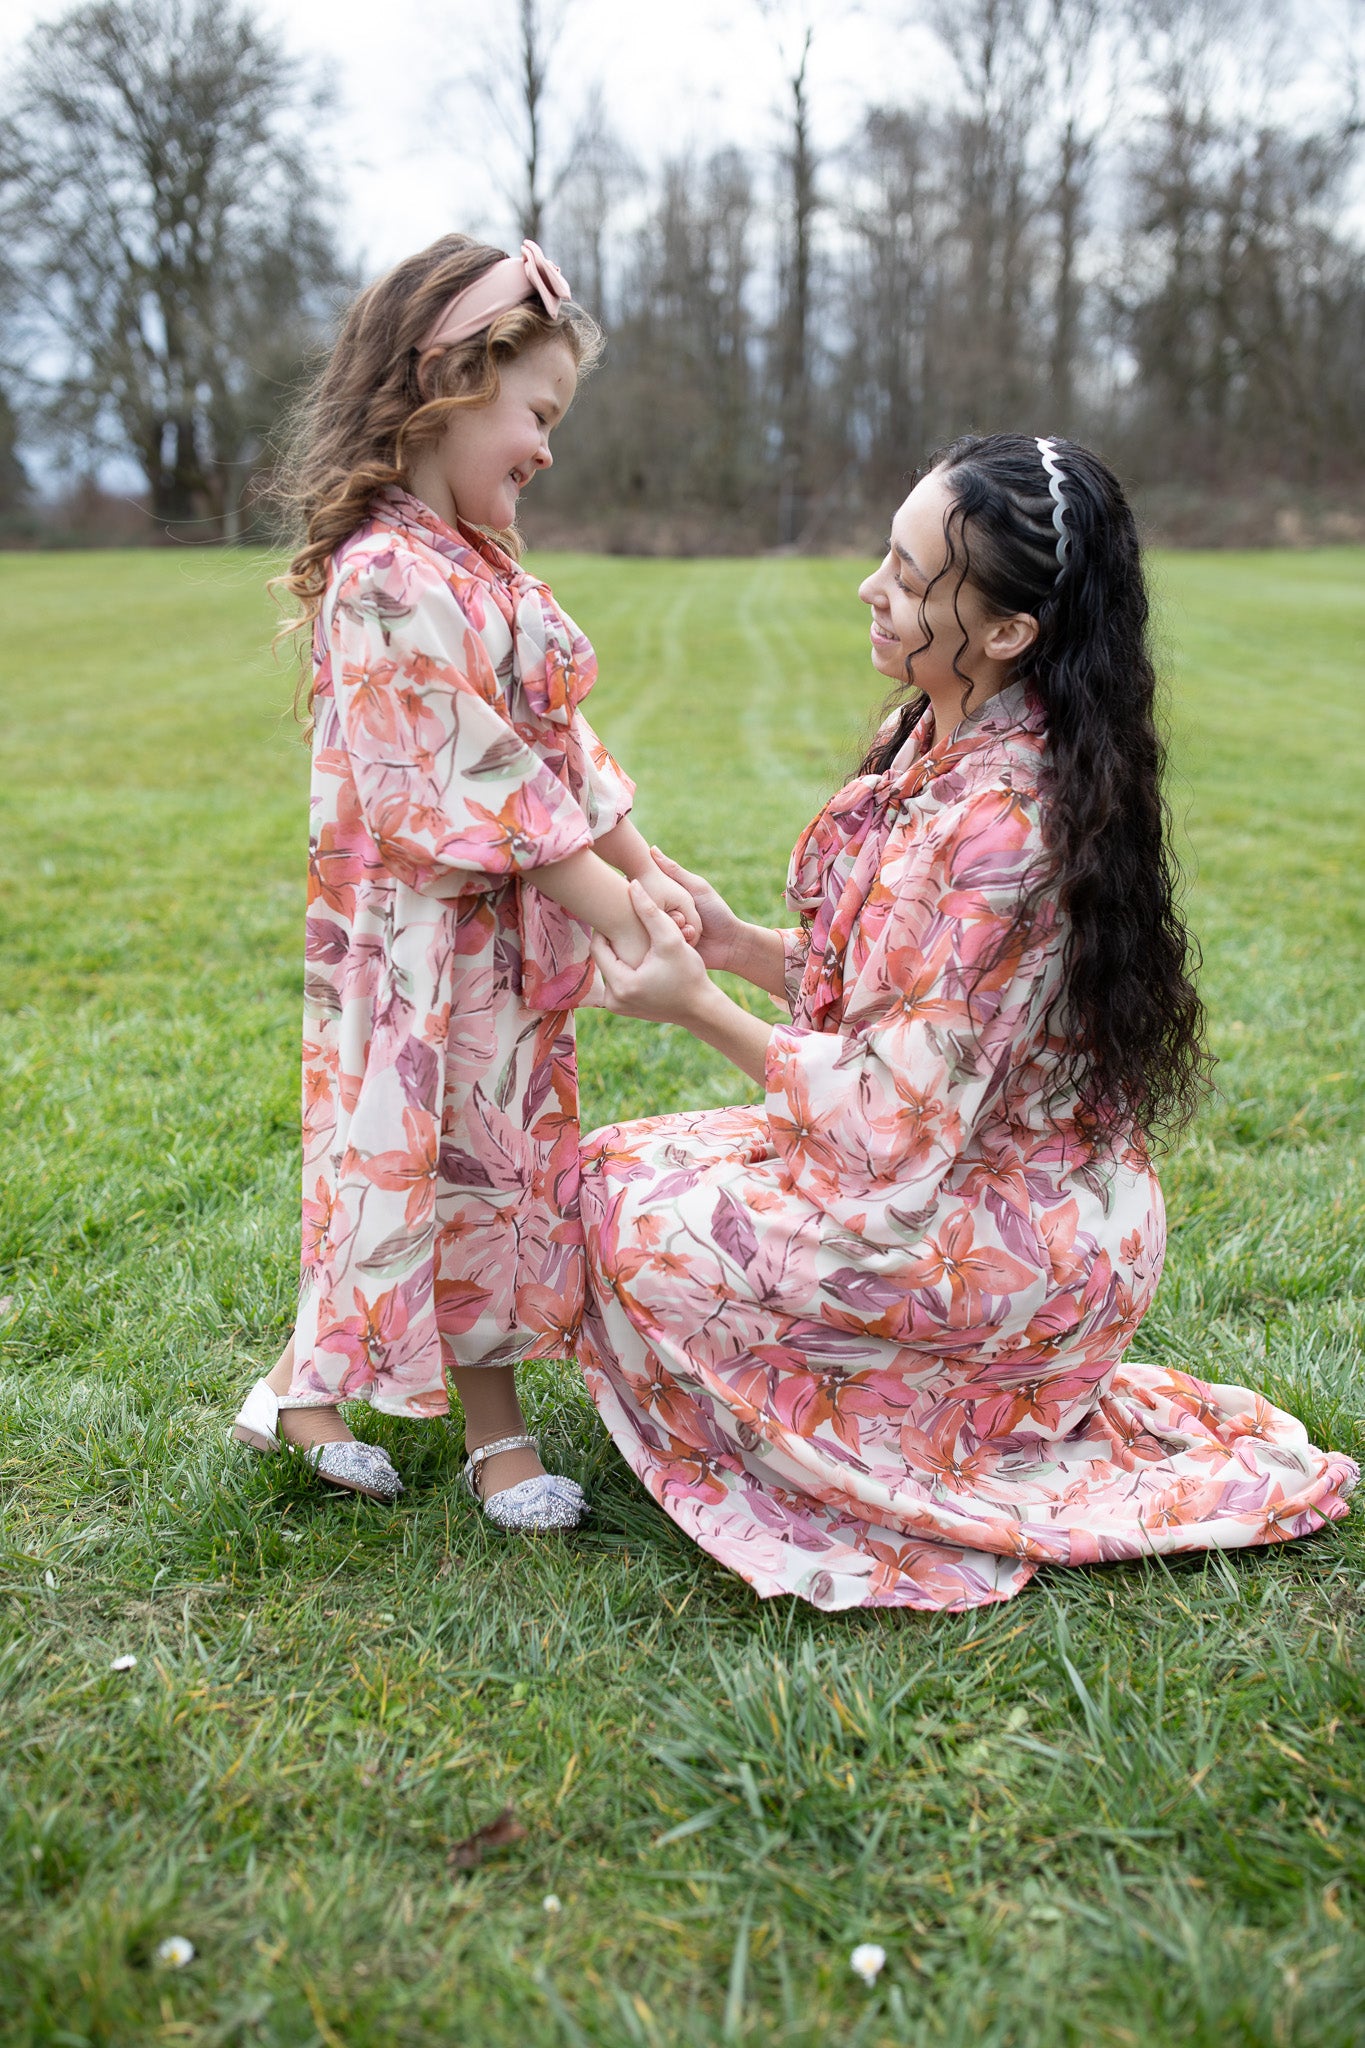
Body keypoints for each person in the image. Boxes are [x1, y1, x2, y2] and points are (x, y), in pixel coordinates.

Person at [579, 433, 1358, 1611]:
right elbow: (913, 1007)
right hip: (958, 1166)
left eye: (907, 576)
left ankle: (918, 1427)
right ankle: (897, 1396)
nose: (870, 588)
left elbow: (892, 1113)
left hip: (1015, 1232)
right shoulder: (937, 735)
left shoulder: (1008, 821)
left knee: (637, 1222)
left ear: (1006, 632)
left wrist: (694, 1004)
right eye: (885, 557)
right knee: (607, 1170)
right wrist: (734, 942)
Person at [230, 234, 697, 1529]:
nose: (546, 446)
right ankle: (385, 1408)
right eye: (536, 413)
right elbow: (466, 775)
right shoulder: (384, 576)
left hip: (503, 945)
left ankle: (355, 1398)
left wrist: (653, 872)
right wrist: (619, 914)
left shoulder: (485, 564)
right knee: (417, 1166)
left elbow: (560, 748)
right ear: (447, 381)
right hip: (421, 950)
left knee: (497, 1171)